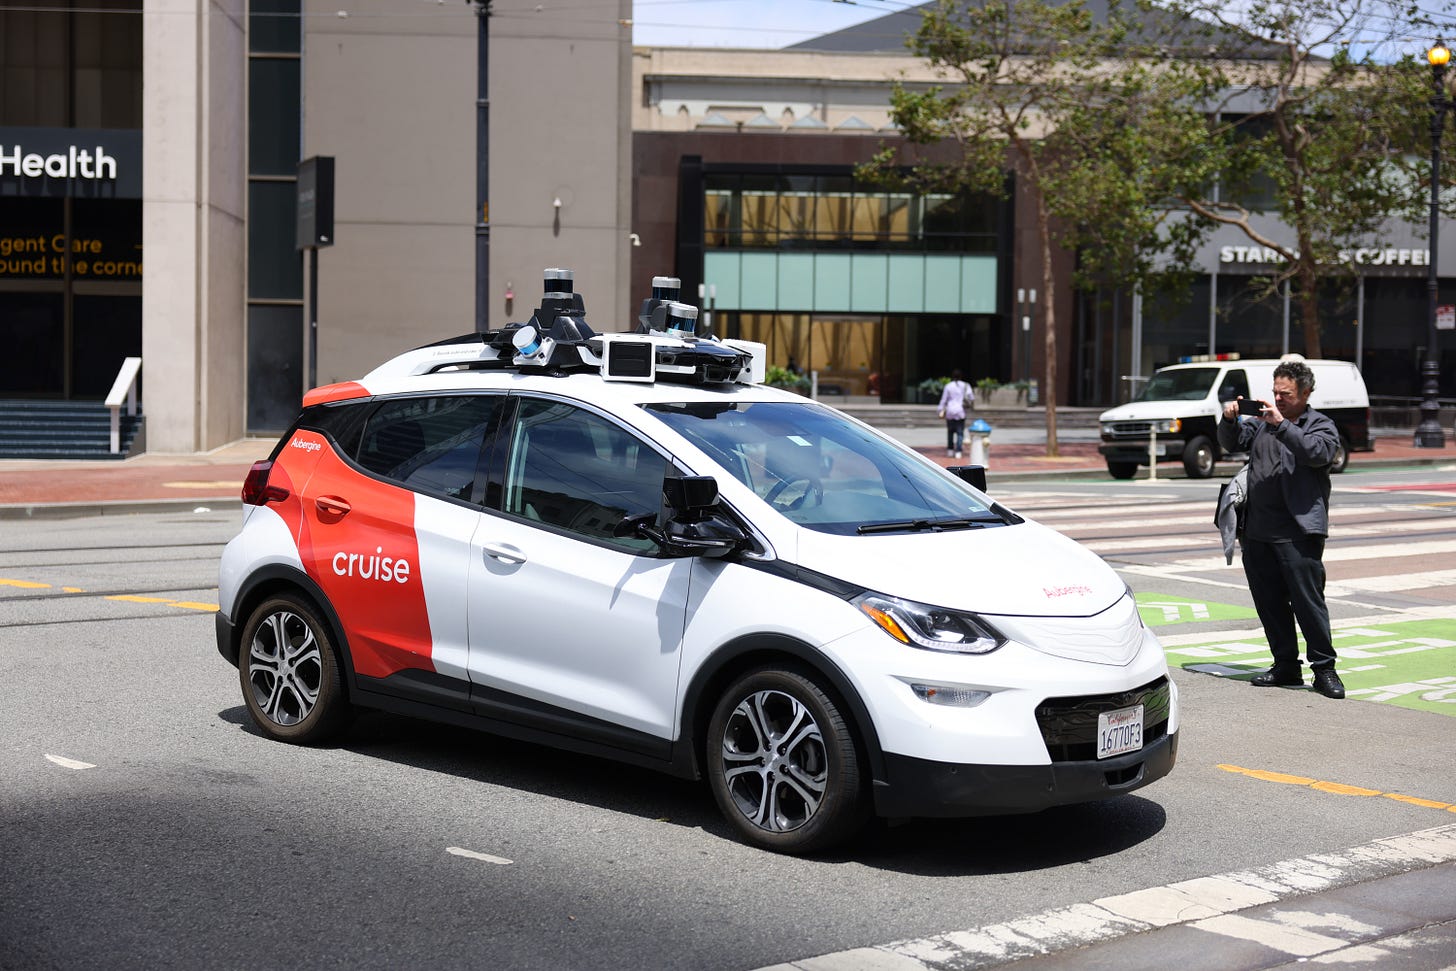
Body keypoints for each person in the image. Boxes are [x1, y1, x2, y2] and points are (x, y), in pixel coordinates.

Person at [1217, 359, 1345, 699]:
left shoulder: (1320, 425)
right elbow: (1233, 442)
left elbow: (1319, 454)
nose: (1278, 398)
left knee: (1308, 602)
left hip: (1298, 531)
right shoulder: (1262, 424)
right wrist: (1230, 420)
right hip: (1258, 530)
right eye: (1275, 392)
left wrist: (1282, 425)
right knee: (1269, 603)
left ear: (1305, 393)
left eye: (1285, 393)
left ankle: (1324, 669)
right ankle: (1285, 664)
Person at [937, 369, 974, 458]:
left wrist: (940, 410)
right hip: (960, 411)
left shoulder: (948, 386)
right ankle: (958, 451)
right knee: (960, 433)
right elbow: (971, 397)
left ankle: (950, 450)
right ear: (961, 376)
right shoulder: (965, 385)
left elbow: (944, 399)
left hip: (950, 411)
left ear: (952, 376)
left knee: (950, 432)